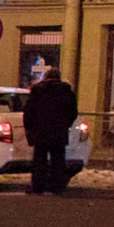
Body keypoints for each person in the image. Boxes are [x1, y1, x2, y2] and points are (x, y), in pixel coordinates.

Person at [24, 66, 77, 195]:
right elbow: (73, 113)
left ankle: (38, 187)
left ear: (46, 77)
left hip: (41, 131)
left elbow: (29, 112)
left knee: (39, 160)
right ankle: (57, 187)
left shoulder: (38, 91)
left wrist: (30, 128)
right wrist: (65, 124)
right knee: (58, 160)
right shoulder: (67, 92)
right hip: (59, 132)